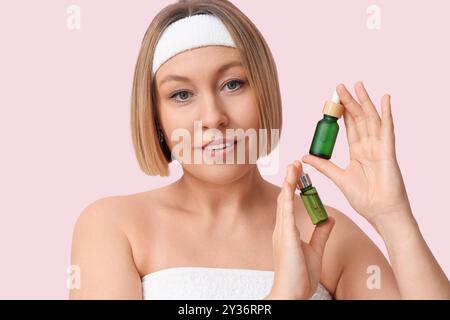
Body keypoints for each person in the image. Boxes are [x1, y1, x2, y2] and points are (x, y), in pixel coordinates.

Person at [69, 0, 449, 299]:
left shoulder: (326, 233)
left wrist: (394, 218)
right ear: (156, 118)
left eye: (233, 84)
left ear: (264, 93)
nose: (214, 117)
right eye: (181, 94)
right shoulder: (114, 226)